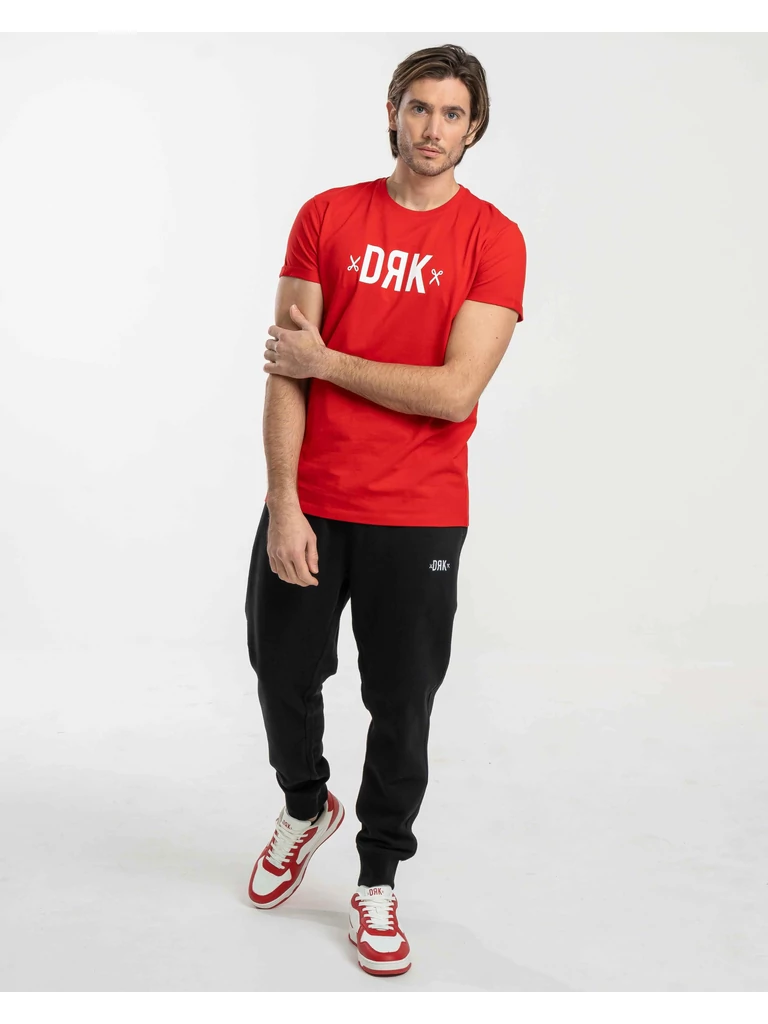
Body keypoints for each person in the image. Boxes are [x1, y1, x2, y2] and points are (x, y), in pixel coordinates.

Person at [244, 42, 526, 977]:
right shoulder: (328, 216)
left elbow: (454, 393)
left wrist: (329, 361)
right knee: (282, 673)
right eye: (419, 107)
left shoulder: (493, 239)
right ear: (393, 112)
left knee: (400, 701)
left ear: (474, 128)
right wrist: (284, 501)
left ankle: (377, 878)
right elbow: (286, 374)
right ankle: (305, 806)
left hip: (420, 512)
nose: (433, 127)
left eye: (452, 113)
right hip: (314, 500)